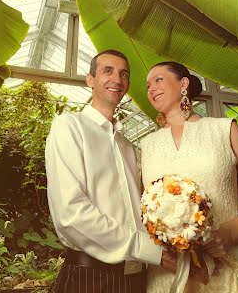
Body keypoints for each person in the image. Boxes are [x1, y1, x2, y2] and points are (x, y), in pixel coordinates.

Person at [141, 61, 238, 293]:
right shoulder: (147, 145)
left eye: (158, 80)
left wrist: (229, 233)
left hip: (229, 271)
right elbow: (145, 217)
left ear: (184, 83)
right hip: (170, 277)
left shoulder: (225, 129)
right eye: (147, 86)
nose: (151, 89)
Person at [45, 49, 177, 293]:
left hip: (135, 278)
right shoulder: (69, 126)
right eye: (108, 71)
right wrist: (151, 251)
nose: (117, 79)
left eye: (123, 74)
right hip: (90, 278)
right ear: (90, 79)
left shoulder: (127, 146)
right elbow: (71, 213)